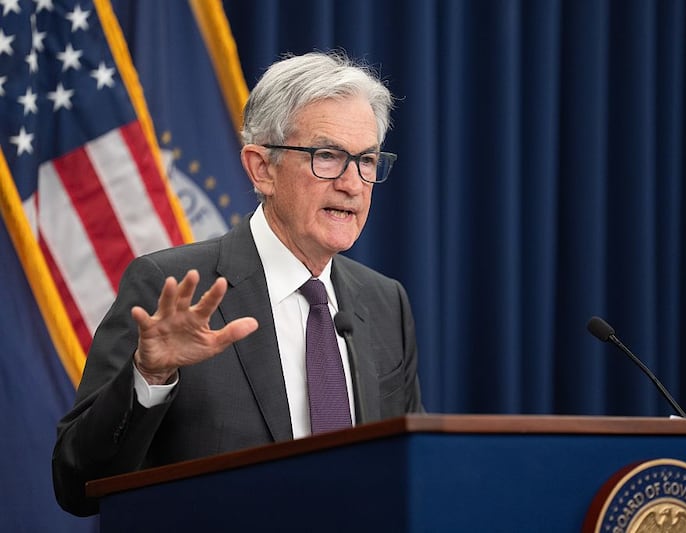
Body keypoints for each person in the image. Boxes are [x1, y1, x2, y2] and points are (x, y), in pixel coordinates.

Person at [52, 51, 424, 517]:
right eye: (327, 156)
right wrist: (150, 377)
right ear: (261, 168)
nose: (352, 183)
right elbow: (75, 483)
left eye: (366, 160)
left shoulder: (385, 301)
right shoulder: (170, 288)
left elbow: (413, 473)